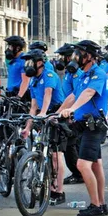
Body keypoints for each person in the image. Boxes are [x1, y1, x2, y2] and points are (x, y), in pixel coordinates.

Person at [60, 40, 108, 216]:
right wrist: (56, 113)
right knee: (96, 165)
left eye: (79, 53)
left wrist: (72, 110)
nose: (75, 57)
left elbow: (88, 94)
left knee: (82, 164)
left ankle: (95, 206)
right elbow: (74, 95)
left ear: (89, 56)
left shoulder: (98, 74)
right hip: (85, 125)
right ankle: (102, 204)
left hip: (94, 126)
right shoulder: (83, 74)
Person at [19, 49, 66, 205]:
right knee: (40, 148)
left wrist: (45, 112)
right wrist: (27, 127)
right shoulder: (33, 80)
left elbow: (48, 95)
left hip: (56, 114)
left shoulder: (49, 75)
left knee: (56, 155)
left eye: (30, 61)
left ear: (39, 62)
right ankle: (45, 182)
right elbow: (33, 106)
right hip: (42, 115)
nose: (27, 65)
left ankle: (58, 191)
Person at [54, 43, 84, 185]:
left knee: (71, 145)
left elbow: (76, 94)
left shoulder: (76, 73)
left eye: (63, 57)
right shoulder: (69, 72)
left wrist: (68, 111)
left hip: (73, 113)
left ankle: (78, 174)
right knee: (72, 145)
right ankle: (79, 172)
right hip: (68, 111)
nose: (60, 59)